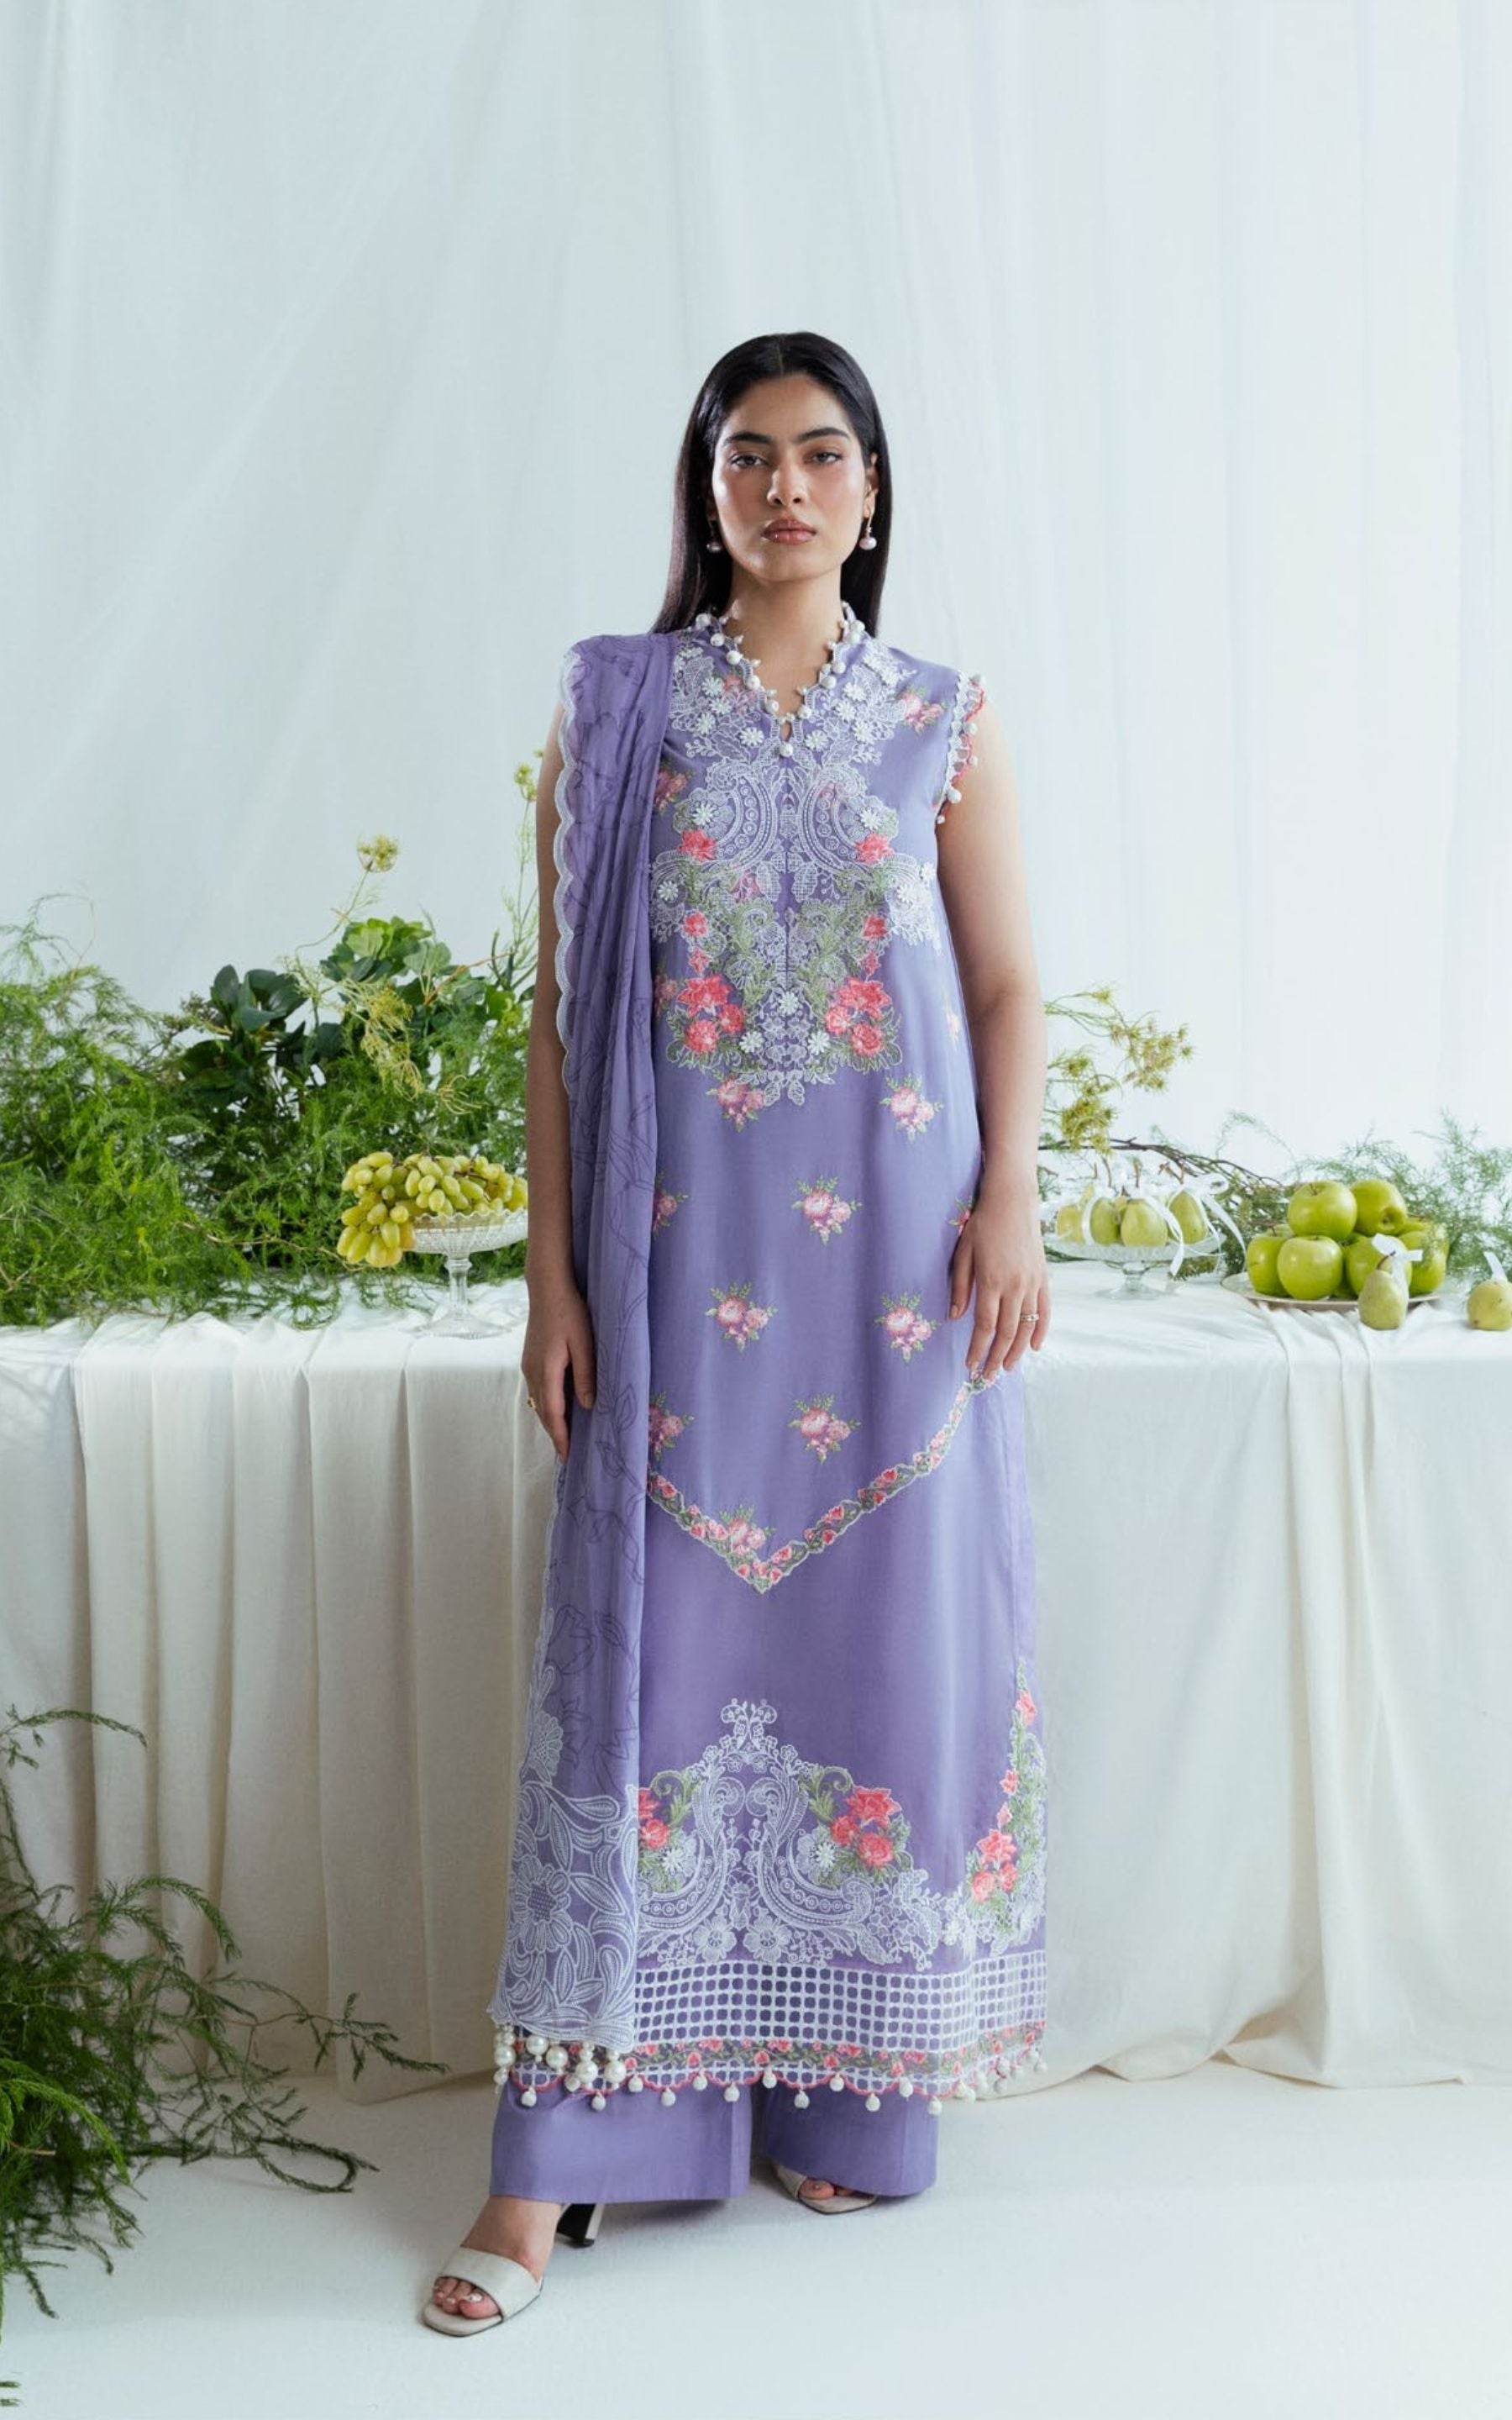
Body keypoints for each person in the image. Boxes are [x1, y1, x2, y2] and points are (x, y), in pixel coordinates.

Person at [425, 331, 1051, 2336]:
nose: (786, 488)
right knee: (655, 1672)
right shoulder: (618, 708)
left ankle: (843, 2090)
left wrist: (1014, 1202)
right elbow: (560, 1022)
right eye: (749, 455)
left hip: (894, 1288)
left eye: (823, 454)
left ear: (872, 491)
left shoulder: (941, 717)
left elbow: (1006, 986)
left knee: (877, 1650)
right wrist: (551, 1278)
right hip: (679, 1285)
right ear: (706, 491)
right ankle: (561, 2164)